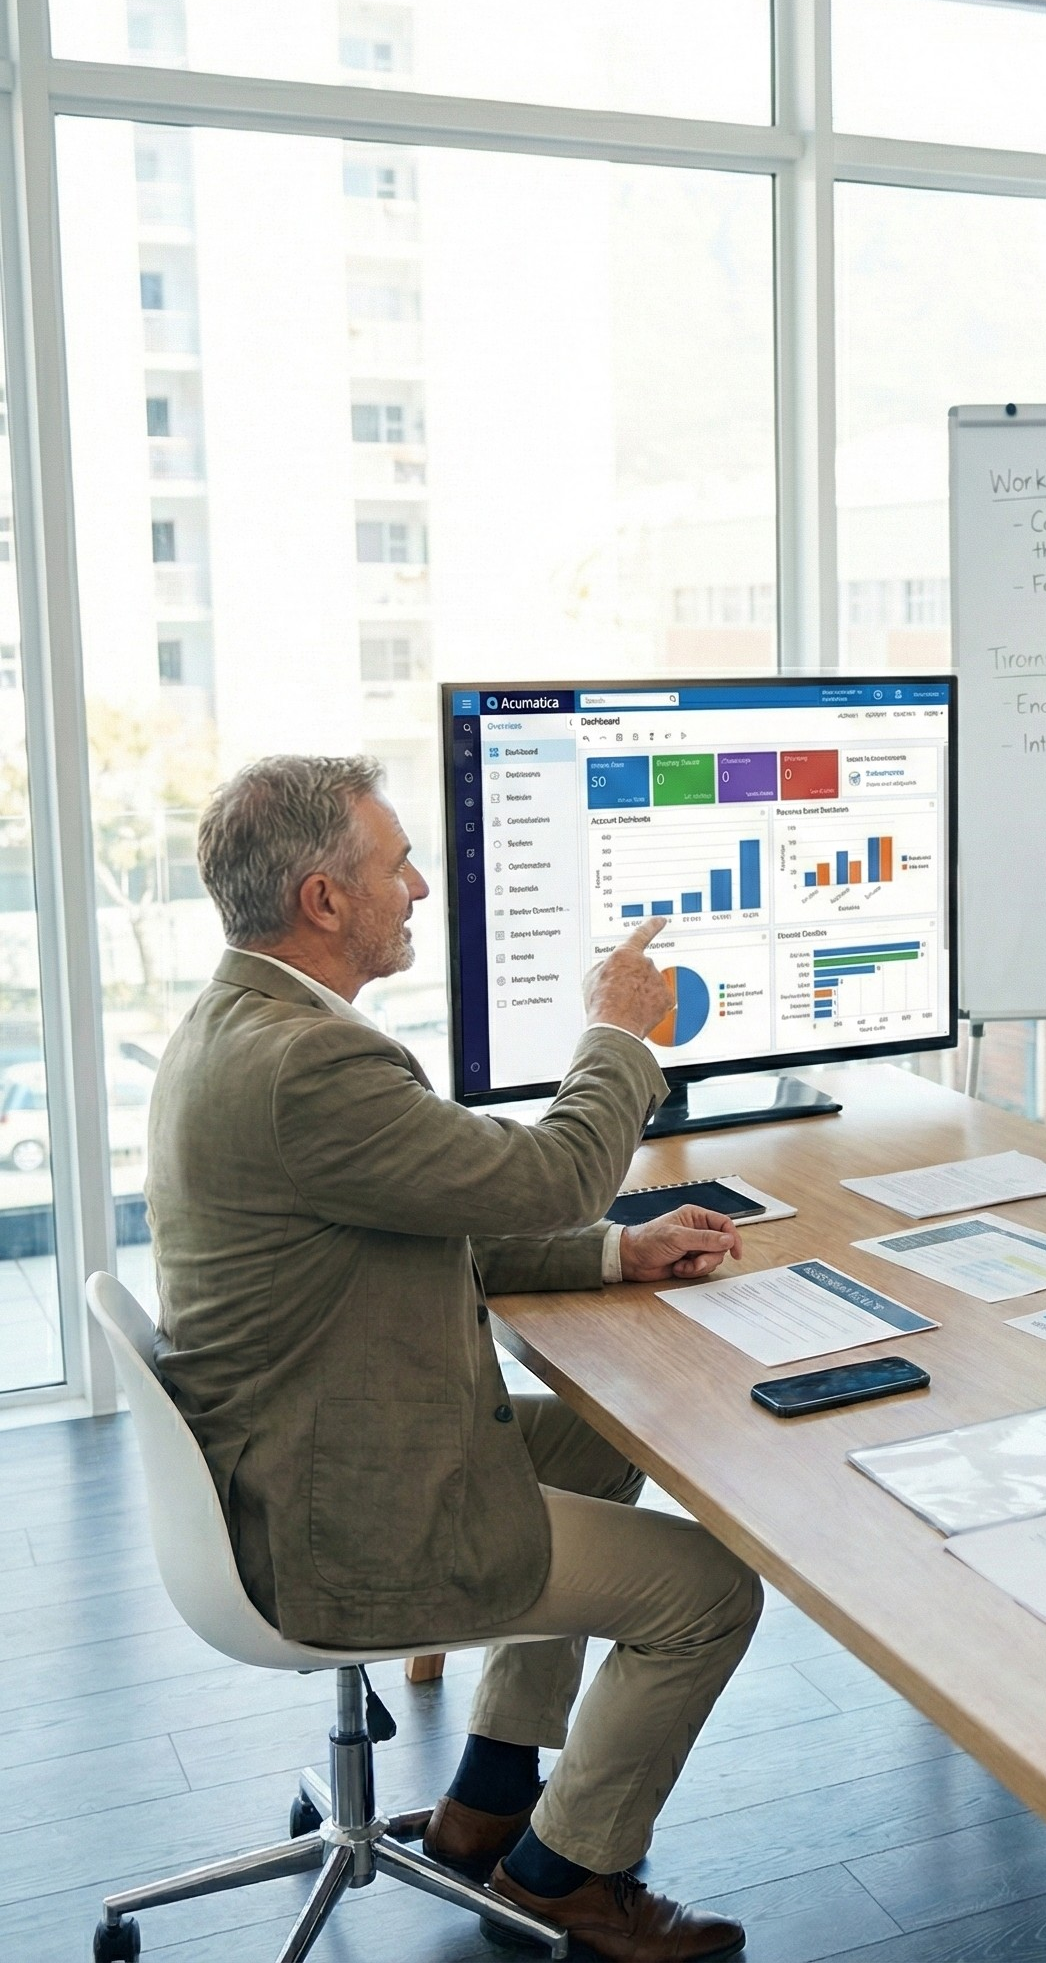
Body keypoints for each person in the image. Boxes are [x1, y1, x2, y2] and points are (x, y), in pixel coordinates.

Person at [150, 754, 760, 1963]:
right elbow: (553, 1170)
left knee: (598, 1426)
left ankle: (490, 1790)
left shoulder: (241, 1022)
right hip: (346, 1516)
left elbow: (435, 1213)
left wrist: (609, 1257)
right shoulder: (309, 1067)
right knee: (708, 1593)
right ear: (324, 899)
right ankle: (564, 1872)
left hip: (307, 1448)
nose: (420, 885)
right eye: (395, 864)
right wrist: (614, 1029)